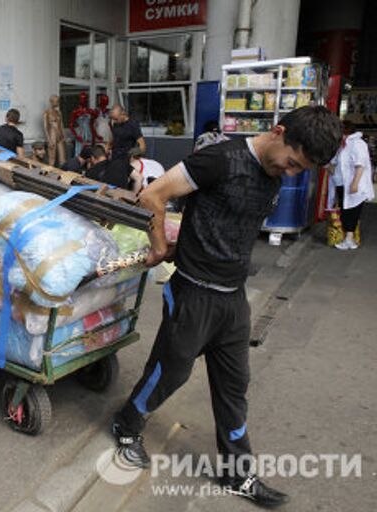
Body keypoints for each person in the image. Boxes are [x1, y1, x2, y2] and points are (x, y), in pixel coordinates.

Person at [111, 106, 341, 508]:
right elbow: (153, 194)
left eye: (300, 170)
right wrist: (160, 248)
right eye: (291, 163)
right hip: (193, 294)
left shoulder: (272, 174)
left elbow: (222, 223)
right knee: (170, 373)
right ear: (279, 131)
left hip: (233, 299)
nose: (290, 174)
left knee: (235, 386)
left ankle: (238, 474)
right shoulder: (220, 158)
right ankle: (127, 423)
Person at [329, 120, 374, 250]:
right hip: (341, 183)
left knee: (352, 211)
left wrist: (355, 183)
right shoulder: (342, 145)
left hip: (353, 185)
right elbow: (335, 164)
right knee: (345, 210)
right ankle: (348, 238)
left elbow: (360, 165)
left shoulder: (358, 144)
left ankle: (349, 239)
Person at [68, 92, 96, 157]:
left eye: (84, 98)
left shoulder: (90, 111)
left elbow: (92, 125)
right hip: (80, 133)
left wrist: (94, 136)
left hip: (89, 133)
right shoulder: (75, 112)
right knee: (79, 152)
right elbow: (71, 125)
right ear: (79, 100)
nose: (83, 100)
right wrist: (76, 135)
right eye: (81, 99)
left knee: (89, 152)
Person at [43, 94, 66, 166]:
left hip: (60, 136)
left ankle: (63, 174)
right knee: (52, 158)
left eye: (58, 101)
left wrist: (64, 135)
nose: (57, 103)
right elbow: (45, 127)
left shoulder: (59, 112)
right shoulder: (46, 112)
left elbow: (61, 124)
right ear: (51, 102)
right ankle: (49, 175)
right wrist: (48, 140)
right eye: (55, 101)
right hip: (52, 135)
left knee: (62, 159)